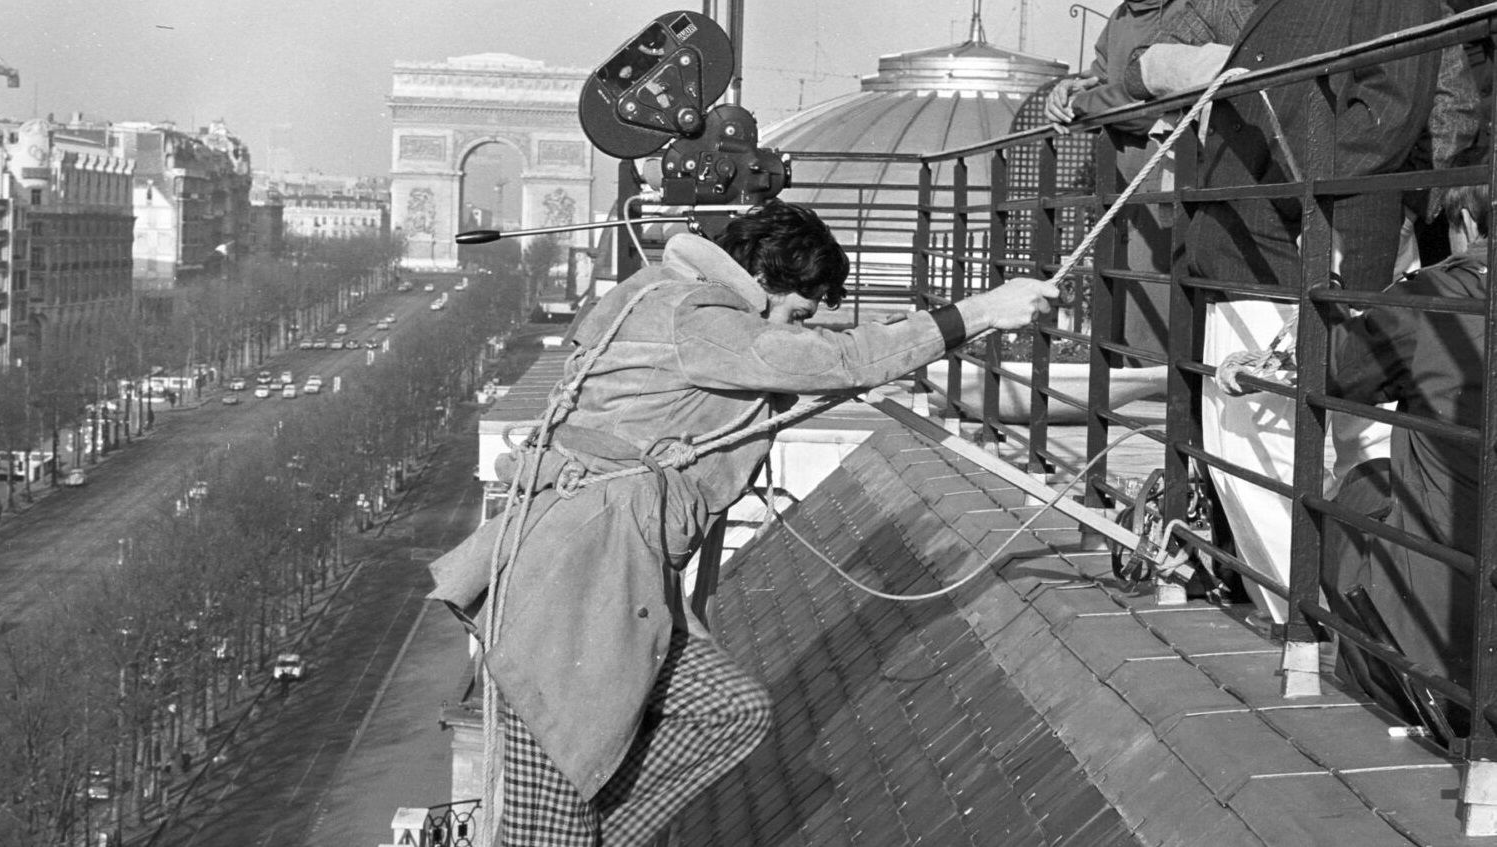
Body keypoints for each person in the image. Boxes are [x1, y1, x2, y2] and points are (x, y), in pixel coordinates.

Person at [429, 200, 1059, 845]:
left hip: (607, 572)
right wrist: (983, 310)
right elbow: (833, 361)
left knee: (730, 712)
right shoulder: (697, 314)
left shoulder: (679, 303)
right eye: (798, 315)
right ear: (764, 282)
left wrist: (859, 354)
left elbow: (813, 361)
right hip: (578, 581)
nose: (798, 333)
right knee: (554, 808)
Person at [1141, 0, 1443, 623]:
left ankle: (1326, 622)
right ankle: (1316, 615)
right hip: (1259, 239)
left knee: (1285, 439)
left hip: (1305, 242)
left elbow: (1389, 109)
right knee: (1255, 446)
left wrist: (1305, 194)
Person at [1323, 176, 1490, 697]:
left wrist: (1327, 287)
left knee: (1359, 492)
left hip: (1456, 652)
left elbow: (1343, 375)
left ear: (1464, 223)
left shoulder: (1436, 295)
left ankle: (1384, 680)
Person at [1045, 0, 1179, 364]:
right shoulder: (1122, 16)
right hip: (1124, 181)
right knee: (1126, 294)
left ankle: (1156, 396)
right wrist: (1070, 91)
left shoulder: (1191, 10)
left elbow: (1155, 101)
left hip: (1166, 169)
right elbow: (1103, 80)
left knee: (1155, 301)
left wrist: (1084, 102)